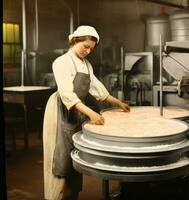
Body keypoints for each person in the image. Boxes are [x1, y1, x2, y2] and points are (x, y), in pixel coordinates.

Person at [43, 25, 130, 200]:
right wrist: (91, 114)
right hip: (60, 111)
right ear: (75, 41)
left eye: (91, 48)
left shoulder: (86, 64)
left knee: (74, 156)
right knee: (59, 158)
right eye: (85, 46)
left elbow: (97, 88)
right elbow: (67, 95)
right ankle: (57, 197)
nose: (88, 51)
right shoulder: (61, 62)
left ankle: (72, 195)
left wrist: (118, 102)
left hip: (77, 112)